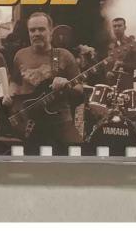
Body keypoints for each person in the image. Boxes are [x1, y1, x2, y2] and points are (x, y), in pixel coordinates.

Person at [9, 12, 82, 147]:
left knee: (76, 151)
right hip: (31, 122)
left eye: (41, 29)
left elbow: (79, 88)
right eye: (32, 30)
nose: (36, 33)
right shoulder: (20, 55)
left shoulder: (63, 55)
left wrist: (67, 84)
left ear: (51, 31)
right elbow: (14, 82)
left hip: (60, 120)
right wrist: (11, 94)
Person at [105, 17, 136, 91]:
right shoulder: (109, 44)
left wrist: (123, 64)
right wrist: (107, 72)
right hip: (111, 86)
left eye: (119, 26)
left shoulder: (132, 43)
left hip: (126, 87)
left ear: (125, 27)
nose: (117, 28)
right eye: (114, 26)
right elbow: (106, 63)